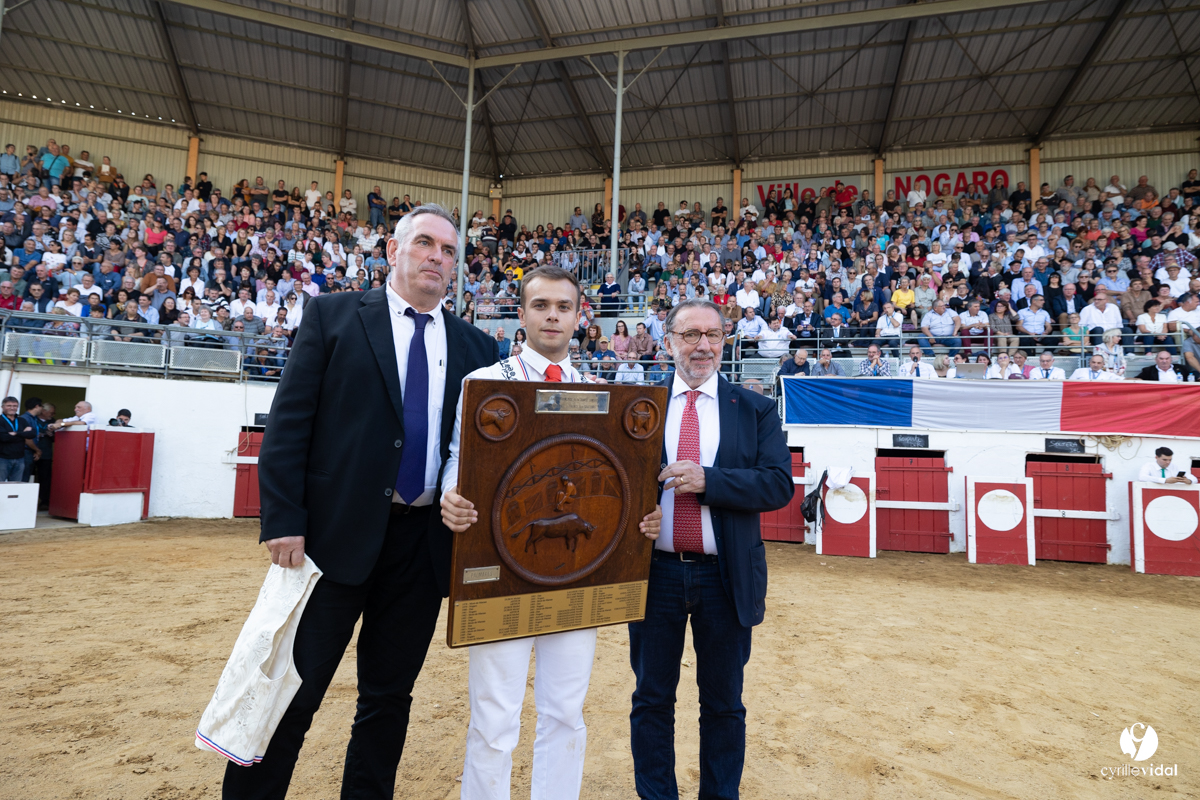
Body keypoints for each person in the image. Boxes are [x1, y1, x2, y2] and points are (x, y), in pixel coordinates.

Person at [223, 204, 499, 798]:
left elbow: (482, 451)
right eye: (425, 244)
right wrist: (284, 520)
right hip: (328, 541)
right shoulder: (333, 315)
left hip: (420, 548)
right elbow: (289, 424)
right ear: (393, 251)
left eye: (449, 252)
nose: (437, 257)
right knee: (289, 691)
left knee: (387, 700)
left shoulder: (477, 346)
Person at [440, 266, 662, 800]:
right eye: (541, 306)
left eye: (563, 306)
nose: (553, 316)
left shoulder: (600, 392)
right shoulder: (486, 383)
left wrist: (646, 516)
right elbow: (457, 458)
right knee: (494, 717)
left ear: (579, 315)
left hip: (576, 576)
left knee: (566, 710)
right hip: (500, 570)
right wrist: (452, 494)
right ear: (522, 314)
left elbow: (624, 482)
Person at [628, 298, 792, 800]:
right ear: (669, 341)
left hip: (726, 578)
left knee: (724, 703)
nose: (703, 345)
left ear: (726, 342)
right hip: (654, 575)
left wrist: (709, 481)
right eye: (691, 335)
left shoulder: (757, 409)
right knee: (652, 699)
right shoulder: (639, 407)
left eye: (713, 335)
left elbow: (777, 485)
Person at [0, 396, 36, 481]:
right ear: (3, 407)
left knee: (15, 487)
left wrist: (16, 433)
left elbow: (32, 434)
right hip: (3, 459)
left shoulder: (21, 420)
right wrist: (23, 434)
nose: (12, 408)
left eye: (15, 406)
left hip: (19, 459)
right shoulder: (0, 420)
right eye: (9, 405)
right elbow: (3, 437)